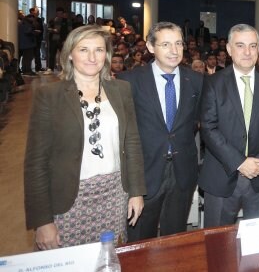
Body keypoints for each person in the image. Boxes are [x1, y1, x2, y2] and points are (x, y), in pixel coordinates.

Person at [24, 25, 145, 249]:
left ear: (106, 55)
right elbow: (36, 163)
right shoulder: (49, 96)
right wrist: (42, 221)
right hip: (68, 202)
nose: (92, 57)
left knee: (108, 261)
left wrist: (136, 191)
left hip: (114, 195)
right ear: (70, 54)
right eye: (83, 50)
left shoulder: (121, 89)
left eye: (99, 50)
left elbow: (133, 143)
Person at [118, 22, 203, 241]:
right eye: (165, 44)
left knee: (174, 240)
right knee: (139, 240)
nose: (174, 51)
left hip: (182, 172)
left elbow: (196, 121)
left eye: (178, 43)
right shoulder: (129, 81)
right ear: (150, 46)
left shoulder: (195, 80)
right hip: (144, 174)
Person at [198, 24, 259, 227]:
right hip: (222, 175)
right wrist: (240, 162)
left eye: (253, 46)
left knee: (258, 243)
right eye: (240, 45)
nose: (247, 52)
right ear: (228, 49)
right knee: (217, 243)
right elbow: (208, 128)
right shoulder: (213, 82)